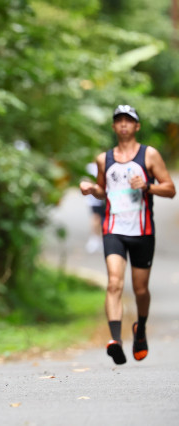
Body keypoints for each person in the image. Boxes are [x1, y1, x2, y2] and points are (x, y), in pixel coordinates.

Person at [79, 105, 176, 365]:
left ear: (137, 126)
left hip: (142, 231)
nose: (123, 124)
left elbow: (171, 189)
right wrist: (91, 189)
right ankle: (115, 341)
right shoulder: (104, 159)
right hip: (113, 229)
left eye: (128, 120)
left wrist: (148, 186)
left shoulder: (149, 155)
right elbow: (103, 190)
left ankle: (140, 329)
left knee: (141, 290)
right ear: (113, 127)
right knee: (114, 283)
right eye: (119, 121)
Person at [83, 162, 105, 253]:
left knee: (103, 219)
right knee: (96, 218)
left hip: (104, 198)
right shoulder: (90, 167)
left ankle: (100, 239)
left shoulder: (105, 164)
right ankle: (95, 239)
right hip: (94, 199)